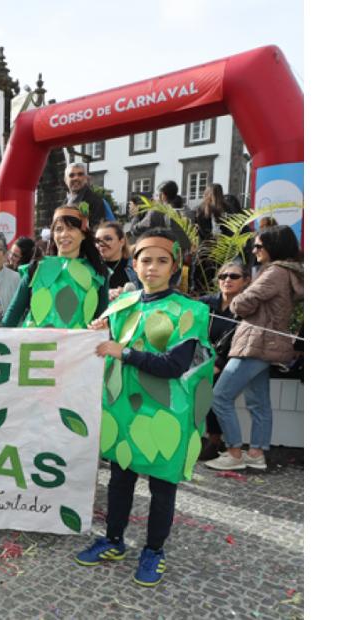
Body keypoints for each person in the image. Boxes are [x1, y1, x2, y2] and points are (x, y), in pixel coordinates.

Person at [76, 228, 214, 587]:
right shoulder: (121, 304)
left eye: (161, 261)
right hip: (123, 408)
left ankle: (153, 550)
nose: (152, 268)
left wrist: (123, 351)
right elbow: (103, 345)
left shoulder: (191, 310)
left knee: (162, 487)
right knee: (120, 479)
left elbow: (174, 366)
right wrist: (98, 332)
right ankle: (114, 540)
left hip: (166, 413)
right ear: (134, 263)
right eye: (145, 260)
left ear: (174, 266)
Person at [204, 226, 303, 471]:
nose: (254, 250)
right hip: (267, 343)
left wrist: (239, 300)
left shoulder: (275, 272)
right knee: (259, 403)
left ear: (274, 247)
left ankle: (235, 452)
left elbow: (240, 304)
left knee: (219, 396)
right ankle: (256, 453)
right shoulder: (288, 272)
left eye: (259, 246)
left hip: (255, 343)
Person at [3, 207, 109, 328]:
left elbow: (102, 317)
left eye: (71, 228)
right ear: (53, 235)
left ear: (83, 234)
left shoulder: (97, 273)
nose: (64, 234)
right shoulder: (37, 267)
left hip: (77, 345)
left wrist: (101, 327)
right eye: (59, 229)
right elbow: (14, 312)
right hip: (35, 345)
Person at [196, 262, 251, 462]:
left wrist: (219, 363)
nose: (227, 280)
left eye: (234, 276)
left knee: (214, 393)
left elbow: (240, 341)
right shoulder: (207, 303)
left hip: (230, 359)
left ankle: (214, 439)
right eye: (223, 276)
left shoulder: (246, 309)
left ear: (246, 281)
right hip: (200, 357)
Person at [95, 222, 140, 299]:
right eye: (97, 241)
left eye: (108, 239)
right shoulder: (89, 267)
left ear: (121, 241)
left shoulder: (136, 267)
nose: (101, 244)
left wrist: (128, 294)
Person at [63, 162, 106, 230]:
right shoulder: (65, 202)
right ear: (65, 180)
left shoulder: (95, 201)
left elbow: (96, 231)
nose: (76, 178)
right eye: (71, 175)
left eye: (80, 174)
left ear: (86, 178)